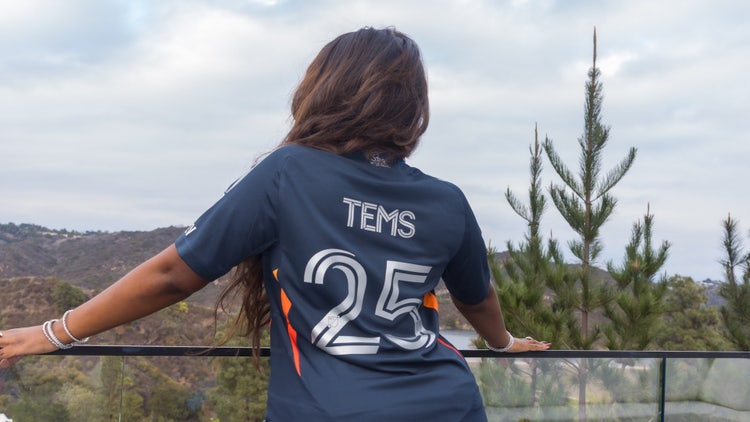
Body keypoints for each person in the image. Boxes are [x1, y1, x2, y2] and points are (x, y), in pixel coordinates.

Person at [0, 26, 550, 420]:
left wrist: (53, 333)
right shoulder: (446, 200)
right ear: (413, 108)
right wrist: (501, 345)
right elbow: (477, 298)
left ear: (327, 89)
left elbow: (173, 275)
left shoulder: (291, 173)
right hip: (449, 403)